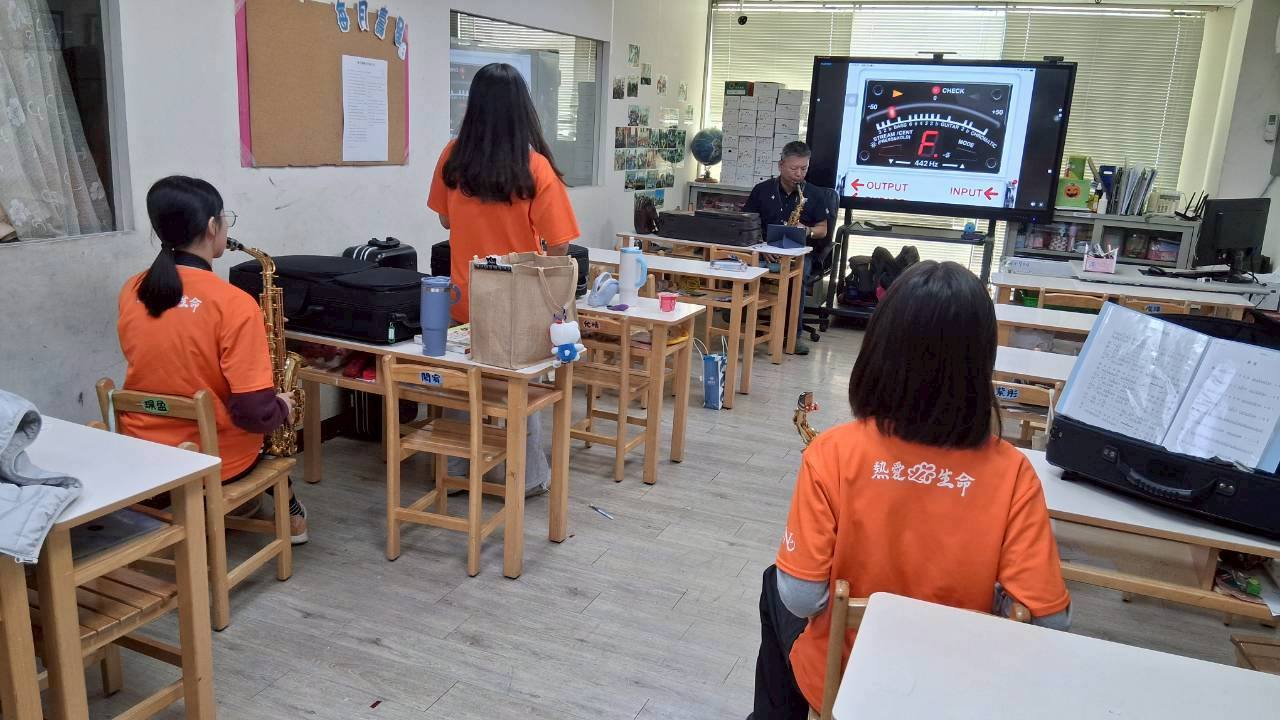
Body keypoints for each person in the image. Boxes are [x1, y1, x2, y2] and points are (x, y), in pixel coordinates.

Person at [750, 261, 1070, 719]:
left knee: (775, 583)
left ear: (879, 350)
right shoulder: (1014, 474)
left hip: (845, 687)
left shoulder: (834, 453)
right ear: (980, 365)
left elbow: (802, 598)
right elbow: (1047, 621)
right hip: (958, 697)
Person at [117, 176, 308, 543]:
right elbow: (253, 414)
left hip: (142, 451)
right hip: (210, 458)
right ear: (211, 226)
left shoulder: (133, 289)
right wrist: (282, 405)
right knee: (272, 431)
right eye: (225, 218)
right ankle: (287, 511)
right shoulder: (234, 304)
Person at [427, 62, 580, 495]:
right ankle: (526, 478)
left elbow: (444, 220)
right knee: (521, 393)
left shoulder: (452, 157)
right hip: (517, 304)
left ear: (473, 106)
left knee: (461, 387)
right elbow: (560, 244)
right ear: (522, 109)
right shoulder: (535, 168)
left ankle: (456, 474)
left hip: (463, 297)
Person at [742, 141, 829, 356]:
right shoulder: (762, 190)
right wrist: (762, 247)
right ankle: (743, 318)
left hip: (800, 253)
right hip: (765, 249)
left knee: (798, 278)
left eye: (804, 168)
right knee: (739, 267)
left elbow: (823, 230)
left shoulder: (815, 194)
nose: (799, 174)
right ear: (781, 165)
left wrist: (807, 230)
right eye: (794, 168)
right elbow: (747, 224)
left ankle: (792, 335)